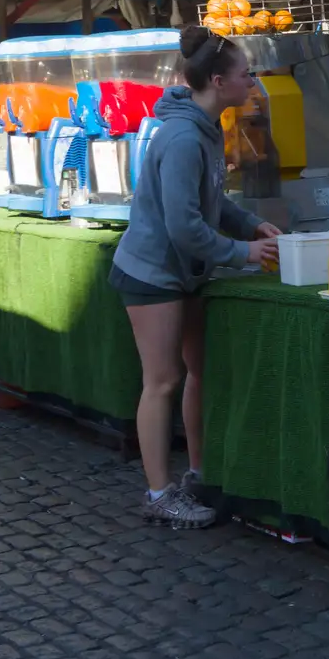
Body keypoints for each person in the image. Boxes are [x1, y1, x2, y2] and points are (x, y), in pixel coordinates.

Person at [111, 27, 281, 529]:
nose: (251, 82)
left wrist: (250, 224)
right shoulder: (184, 137)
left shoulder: (204, 130)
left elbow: (212, 202)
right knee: (162, 381)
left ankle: (198, 474)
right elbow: (184, 227)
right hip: (152, 275)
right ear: (216, 81)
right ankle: (160, 493)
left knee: (196, 372)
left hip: (183, 274)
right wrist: (244, 252)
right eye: (245, 74)